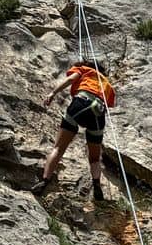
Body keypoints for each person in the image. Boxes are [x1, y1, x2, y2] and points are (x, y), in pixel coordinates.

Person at [33, 56, 117, 202]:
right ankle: (96, 185)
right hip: (98, 112)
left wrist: (52, 93)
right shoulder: (107, 83)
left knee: (58, 148)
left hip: (80, 103)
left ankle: (44, 181)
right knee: (94, 158)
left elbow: (70, 80)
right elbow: (109, 104)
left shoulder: (84, 69)